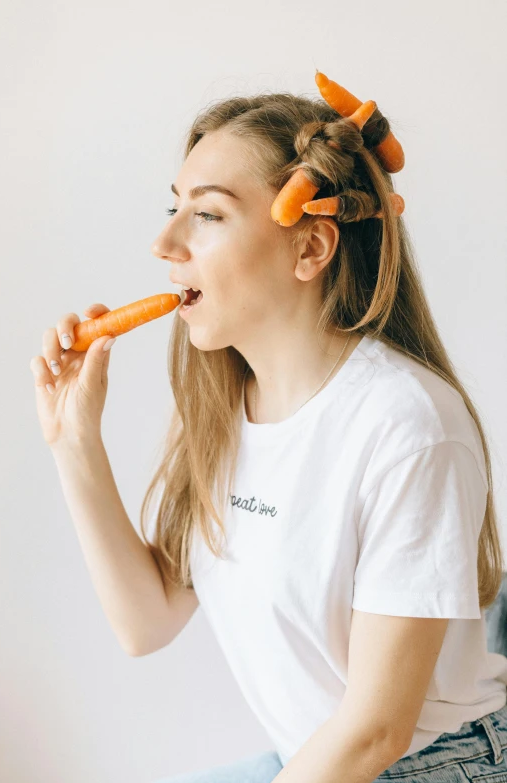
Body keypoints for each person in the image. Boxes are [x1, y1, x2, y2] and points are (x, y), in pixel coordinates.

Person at [30, 73, 507, 783]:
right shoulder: (226, 411)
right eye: (173, 207)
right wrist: (74, 441)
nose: (164, 242)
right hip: (317, 757)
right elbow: (146, 621)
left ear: (311, 249)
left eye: (208, 215)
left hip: (430, 765)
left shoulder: (407, 425)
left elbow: (377, 729)